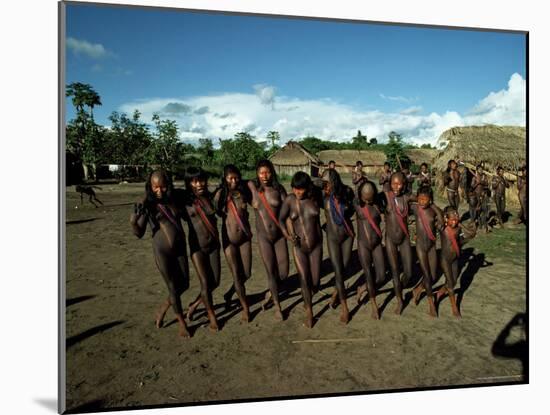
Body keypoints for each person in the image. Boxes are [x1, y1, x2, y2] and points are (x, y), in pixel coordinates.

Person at [130, 170, 191, 338]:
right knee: (172, 286)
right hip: (162, 252)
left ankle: (164, 307)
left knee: (184, 284)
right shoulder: (147, 205)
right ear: (150, 187)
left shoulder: (175, 199)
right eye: (155, 187)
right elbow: (139, 233)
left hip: (180, 248)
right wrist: (133, 222)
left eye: (163, 186)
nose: (159, 191)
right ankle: (181, 323)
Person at [278, 172, 323, 328]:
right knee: (304, 280)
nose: (298, 192)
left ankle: (309, 297)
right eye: (295, 188)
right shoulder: (290, 200)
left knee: (315, 282)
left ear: (307, 187)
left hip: (316, 246)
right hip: (299, 248)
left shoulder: (315, 198)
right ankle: (309, 313)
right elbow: (281, 219)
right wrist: (287, 235)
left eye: (301, 189)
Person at [248, 159, 289, 321]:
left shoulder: (279, 189)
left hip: (279, 236)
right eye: (261, 173)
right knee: (271, 272)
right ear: (257, 174)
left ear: (272, 172)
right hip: (263, 238)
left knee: (284, 273)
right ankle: (278, 306)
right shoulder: (251, 189)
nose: (264, 176)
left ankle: (271, 292)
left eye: (267, 172)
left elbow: (289, 208)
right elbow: (233, 184)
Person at [183, 167, 221, 332]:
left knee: (215, 282)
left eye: (201, 180)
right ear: (189, 183)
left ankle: (194, 304)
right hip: (197, 248)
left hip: (213, 246)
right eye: (194, 181)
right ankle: (211, 315)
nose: (199, 184)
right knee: (205, 283)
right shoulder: (185, 201)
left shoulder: (211, 198)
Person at [213, 165, 253, 322]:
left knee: (247, 274)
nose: (234, 180)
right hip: (229, 240)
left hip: (244, 238)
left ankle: (230, 293)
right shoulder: (221, 194)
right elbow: (213, 211)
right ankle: (245, 308)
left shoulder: (244, 193)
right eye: (230, 178)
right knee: (237, 275)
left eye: (236, 177)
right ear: (225, 178)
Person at [321, 169, 355, 323]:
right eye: (324, 183)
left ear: (335, 181)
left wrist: (341, 202)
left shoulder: (346, 191)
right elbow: (311, 182)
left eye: (328, 182)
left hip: (347, 236)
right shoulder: (321, 195)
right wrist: (322, 184)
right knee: (338, 271)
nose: (325, 186)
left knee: (345, 267)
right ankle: (344, 307)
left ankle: (336, 292)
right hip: (332, 238)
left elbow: (353, 209)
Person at [383, 172, 416, 315]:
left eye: (399, 183)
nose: (396, 186)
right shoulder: (386, 197)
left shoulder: (406, 198)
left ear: (404, 185)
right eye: (393, 184)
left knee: (408, 272)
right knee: (395, 271)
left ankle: (399, 287)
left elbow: (424, 199)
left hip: (404, 239)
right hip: (390, 239)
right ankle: (399, 299)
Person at [436, 206, 476, 318]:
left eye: (456, 218)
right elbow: (439, 222)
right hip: (445, 260)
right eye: (452, 219)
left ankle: (439, 293)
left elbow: (470, 235)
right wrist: (443, 219)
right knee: (451, 285)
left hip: (455, 259)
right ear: (446, 219)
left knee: (453, 282)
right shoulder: (443, 228)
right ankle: (454, 308)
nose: (455, 221)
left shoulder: (458, 229)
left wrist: (461, 224)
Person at [411, 186, 444, 317]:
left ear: (430, 200)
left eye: (425, 199)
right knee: (427, 276)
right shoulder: (415, 208)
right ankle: (431, 304)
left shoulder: (433, 211)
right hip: (420, 247)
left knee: (433, 275)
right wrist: (417, 197)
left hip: (431, 247)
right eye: (420, 199)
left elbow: (441, 216)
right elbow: (408, 198)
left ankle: (418, 289)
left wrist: (434, 205)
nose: (422, 202)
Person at [354, 180, 386, 319]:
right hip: (363, 246)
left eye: (370, 198)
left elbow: (385, 220)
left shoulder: (378, 206)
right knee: (368, 275)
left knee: (381, 276)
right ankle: (374, 305)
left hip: (377, 244)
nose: (367, 200)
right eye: (364, 198)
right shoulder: (356, 204)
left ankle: (362, 288)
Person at [469, 164, 490, 232]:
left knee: (484, 209)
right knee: (477, 210)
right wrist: (477, 183)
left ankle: (484, 224)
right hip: (476, 195)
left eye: (482, 169)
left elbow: (487, 184)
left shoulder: (484, 176)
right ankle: (478, 223)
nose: (481, 171)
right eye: (479, 169)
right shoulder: (474, 178)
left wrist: (482, 182)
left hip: (483, 195)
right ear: (477, 170)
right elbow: (472, 187)